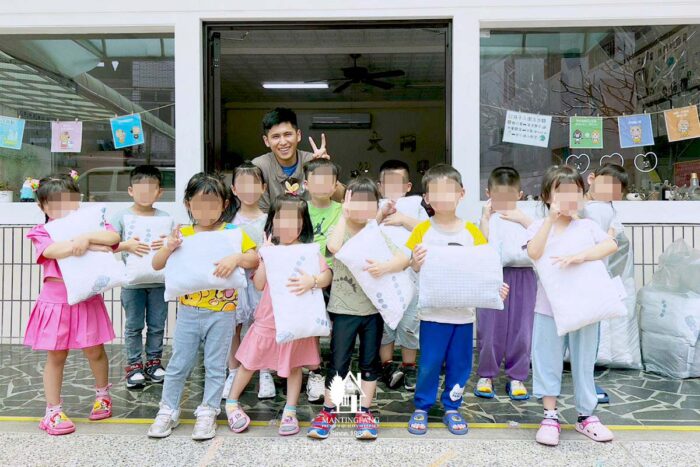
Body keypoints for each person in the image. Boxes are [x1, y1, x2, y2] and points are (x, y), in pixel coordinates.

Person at [147, 173, 258, 441]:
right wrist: (168, 247)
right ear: (188, 204)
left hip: (223, 312)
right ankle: (168, 410)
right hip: (188, 311)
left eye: (212, 203)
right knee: (178, 363)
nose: (206, 210)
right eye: (199, 203)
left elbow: (253, 259)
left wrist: (236, 258)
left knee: (215, 364)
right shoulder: (181, 234)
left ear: (224, 204)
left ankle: (208, 411)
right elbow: (156, 264)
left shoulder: (233, 233)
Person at [406, 164, 509, 436]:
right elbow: (410, 266)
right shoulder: (421, 231)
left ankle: (453, 405)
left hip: (464, 316)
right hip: (432, 316)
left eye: (449, 192)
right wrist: (414, 263)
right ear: (426, 198)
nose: (443, 198)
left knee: (460, 364)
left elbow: (483, 268)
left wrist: (496, 289)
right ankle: (422, 406)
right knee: (428, 363)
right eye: (435, 193)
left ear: (461, 194)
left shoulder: (471, 232)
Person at [307, 177, 410, 441]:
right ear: (347, 202)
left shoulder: (376, 233)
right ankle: (330, 410)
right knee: (339, 363)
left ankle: (363, 411)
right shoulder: (341, 229)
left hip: (372, 311)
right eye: (357, 202)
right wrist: (343, 213)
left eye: (369, 203)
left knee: (369, 363)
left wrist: (386, 267)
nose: (363, 208)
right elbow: (334, 247)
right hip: (343, 310)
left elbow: (403, 257)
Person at [226, 193, 333, 436]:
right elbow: (260, 285)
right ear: (272, 222)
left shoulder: (309, 251)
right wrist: (264, 257)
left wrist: (313, 281)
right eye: (280, 219)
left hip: (296, 320)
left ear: (302, 224)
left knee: (294, 366)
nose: (285, 225)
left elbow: (326, 277)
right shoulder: (268, 251)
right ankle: (232, 403)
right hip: (267, 319)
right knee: (249, 362)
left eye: (292, 220)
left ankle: (291, 410)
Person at [526, 165, 617, 447]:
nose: (569, 197)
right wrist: (549, 222)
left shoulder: (588, 226)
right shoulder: (537, 226)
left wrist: (581, 256)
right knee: (547, 360)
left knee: (584, 361)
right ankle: (550, 415)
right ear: (547, 196)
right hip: (548, 309)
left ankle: (586, 416)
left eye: (575, 191)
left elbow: (610, 245)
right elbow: (533, 252)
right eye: (561, 191)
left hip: (585, 308)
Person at [25, 174, 120, 435]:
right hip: (55, 301)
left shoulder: (93, 223)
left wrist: (86, 237)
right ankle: (52, 411)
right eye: (54, 203)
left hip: (86, 299)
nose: (63, 208)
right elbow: (50, 251)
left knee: (94, 350)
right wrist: (79, 243)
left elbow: (113, 237)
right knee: (56, 355)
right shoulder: (42, 230)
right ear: (42, 206)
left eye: (69, 202)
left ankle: (103, 395)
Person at [474, 167, 536, 401]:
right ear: (488, 193)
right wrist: (485, 219)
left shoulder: (527, 218)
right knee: (489, 327)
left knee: (522, 327)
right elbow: (480, 248)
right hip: (492, 276)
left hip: (524, 276)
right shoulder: (485, 219)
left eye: (510, 197)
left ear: (520, 194)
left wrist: (525, 220)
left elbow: (541, 242)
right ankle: (486, 374)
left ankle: (517, 376)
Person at [111, 165, 171, 389]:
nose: (145, 193)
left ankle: (154, 363)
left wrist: (168, 244)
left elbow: (177, 246)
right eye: (140, 189)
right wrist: (127, 244)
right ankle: (134, 365)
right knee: (134, 326)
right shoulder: (122, 217)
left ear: (159, 192)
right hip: (132, 284)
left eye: (151, 189)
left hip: (159, 282)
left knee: (157, 325)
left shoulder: (166, 218)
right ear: (130, 191)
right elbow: (109, 245)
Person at [221, 162, 276, 400]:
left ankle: (265, 371)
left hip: (262, 282)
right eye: (242, 184)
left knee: (262, 326)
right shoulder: (226, 221)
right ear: (233, 189)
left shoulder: (270, 220)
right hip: (233, 282)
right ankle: (233, 371)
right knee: (232, 327)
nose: (248, 189)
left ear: (263, 187)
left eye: (254, 184)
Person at [376, 159, 428, 391]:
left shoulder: (415, 206)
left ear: (408, 186)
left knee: (409, 325)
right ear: (380, 186)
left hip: (411, 277)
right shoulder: (376, 206)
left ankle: (409, 367)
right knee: (385, 326)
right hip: (383, 278)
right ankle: (387, 366)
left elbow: (429, 231)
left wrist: (404, 220)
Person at [302, 158, 344, 403]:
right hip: (308, 277)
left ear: (335, 185)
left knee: (338, 326)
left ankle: (336, 371)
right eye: (315, 180)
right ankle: (314, 371)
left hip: (338, 276)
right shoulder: (298, 208)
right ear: (305, 183)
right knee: (311, 327)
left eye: (327, 181)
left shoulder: (343, 210)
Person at [252, 107, 344, 211]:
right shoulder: (259, 167)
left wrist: (325, 168)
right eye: (276, 136)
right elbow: (259, 213)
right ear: (266, 141)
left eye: (288, 134)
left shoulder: (313, 160)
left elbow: (342, 199)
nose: (283, 142)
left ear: (298, 135)